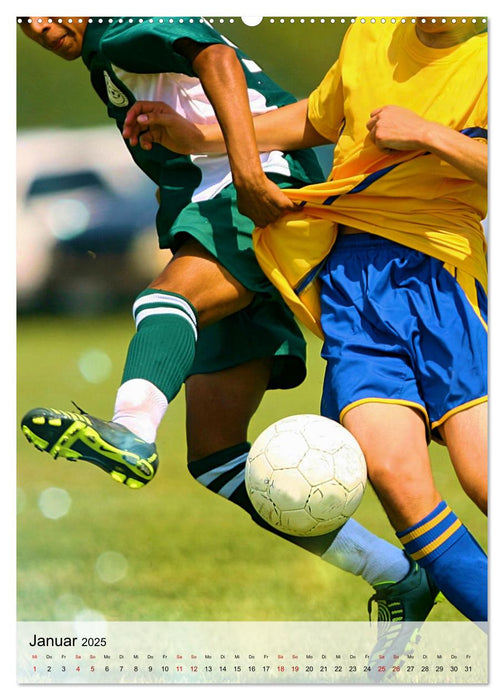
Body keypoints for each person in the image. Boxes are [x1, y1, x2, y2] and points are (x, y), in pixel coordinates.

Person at [18, 16, 440, 647]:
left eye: (52, 7)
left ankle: (131, 431)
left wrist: (246, 171)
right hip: (234, 193)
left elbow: (213, 55)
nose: (44, 24)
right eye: (25, 18)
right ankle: (398, 576)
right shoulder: (105, 52)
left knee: (164, 300)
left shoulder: (119, 27)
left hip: (245, 191)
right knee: (217, 456)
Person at [123, 16, 488, 626]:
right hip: (352, 288)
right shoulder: (371, 32)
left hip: (443, 277)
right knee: (398, 483)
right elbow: (313, 122)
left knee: (483, 479)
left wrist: (427, 134)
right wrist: (201, 137)